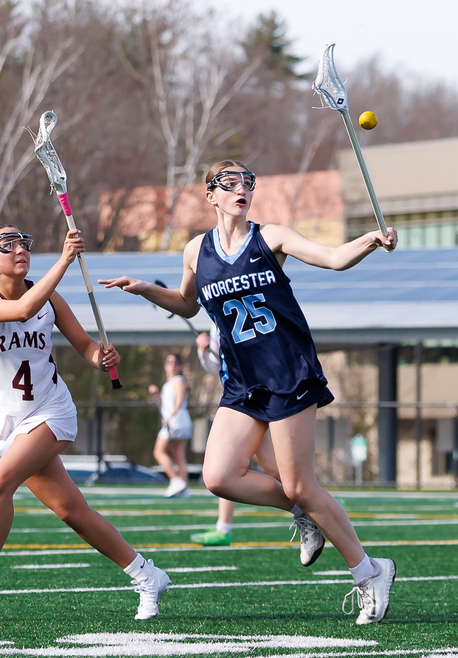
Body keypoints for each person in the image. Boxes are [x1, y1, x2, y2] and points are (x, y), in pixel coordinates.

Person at [100, 160, 399, 625]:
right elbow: (186, 303)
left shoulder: (272, 237)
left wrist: (371, 241)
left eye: (248, 183)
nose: (242, 189)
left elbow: (334, 258)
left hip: (287, 373)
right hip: (241, 381)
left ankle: (368, 572)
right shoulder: (195, 250)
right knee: (219, 476)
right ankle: (307, 517)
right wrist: (144, 290)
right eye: (231, 183)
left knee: (302, 485)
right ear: (211, 195)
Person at [0, 223, 170, 620]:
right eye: (8, 244)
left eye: (24, 241)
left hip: (51, 411)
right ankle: (146, 574)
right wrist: (64, 260)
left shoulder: (50, 297)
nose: (19, 248)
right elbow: (22, 309)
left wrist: (101, 358)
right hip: (8, 423)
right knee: (73, 513)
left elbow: (87, 347)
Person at [190, 328, 287, 549]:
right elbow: (217, 368)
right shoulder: (217, 319)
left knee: (235, 467)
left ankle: (318, 502)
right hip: (237, 400)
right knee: (269, 467)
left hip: (256, 398)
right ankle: (319, 501)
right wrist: (203, 352)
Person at [149, 353, 192, 498]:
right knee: (179, 455)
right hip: (173, 421)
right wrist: (156, 394)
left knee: (158, 452)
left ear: (179, 367)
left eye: (175, 362)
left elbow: (179, 402)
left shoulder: (179, 380)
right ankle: (184, 489)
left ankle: (175, 480)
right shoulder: (168, 384)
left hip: (176, 422)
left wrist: (170, 417)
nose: (172, 365)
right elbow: (164, 404)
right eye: (169, 362)